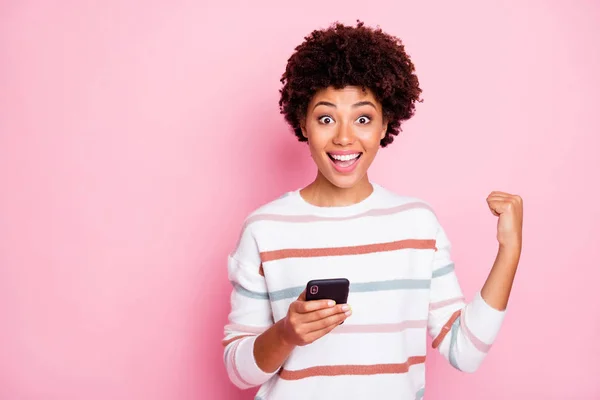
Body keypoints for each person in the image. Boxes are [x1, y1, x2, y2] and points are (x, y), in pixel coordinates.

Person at [222, 21, 523, 400]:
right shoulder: (264, 229)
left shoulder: (417, 224)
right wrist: (285, 334)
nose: (345, 137)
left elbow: (465, 351)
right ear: (303, 122)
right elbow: (238, 371)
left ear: (385, 124)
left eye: (362, 118)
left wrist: (509, 251)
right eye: (326, 118)